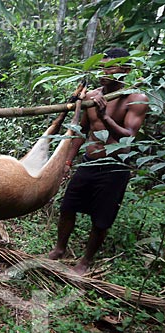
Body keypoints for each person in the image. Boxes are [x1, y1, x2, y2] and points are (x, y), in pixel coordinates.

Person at [48, 48, 149, 275]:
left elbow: (129, 135)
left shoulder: (136, 99)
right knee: (67, 207)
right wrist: (68, 162)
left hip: (114, 167)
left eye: (110, 68)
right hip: (88, 162)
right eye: (102, 67)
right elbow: (81, 131)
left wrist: (105, 117)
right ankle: (59, 249)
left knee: (102, 219)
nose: (104, 72)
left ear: (126, 70)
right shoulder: (92, 97)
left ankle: (85, 261)